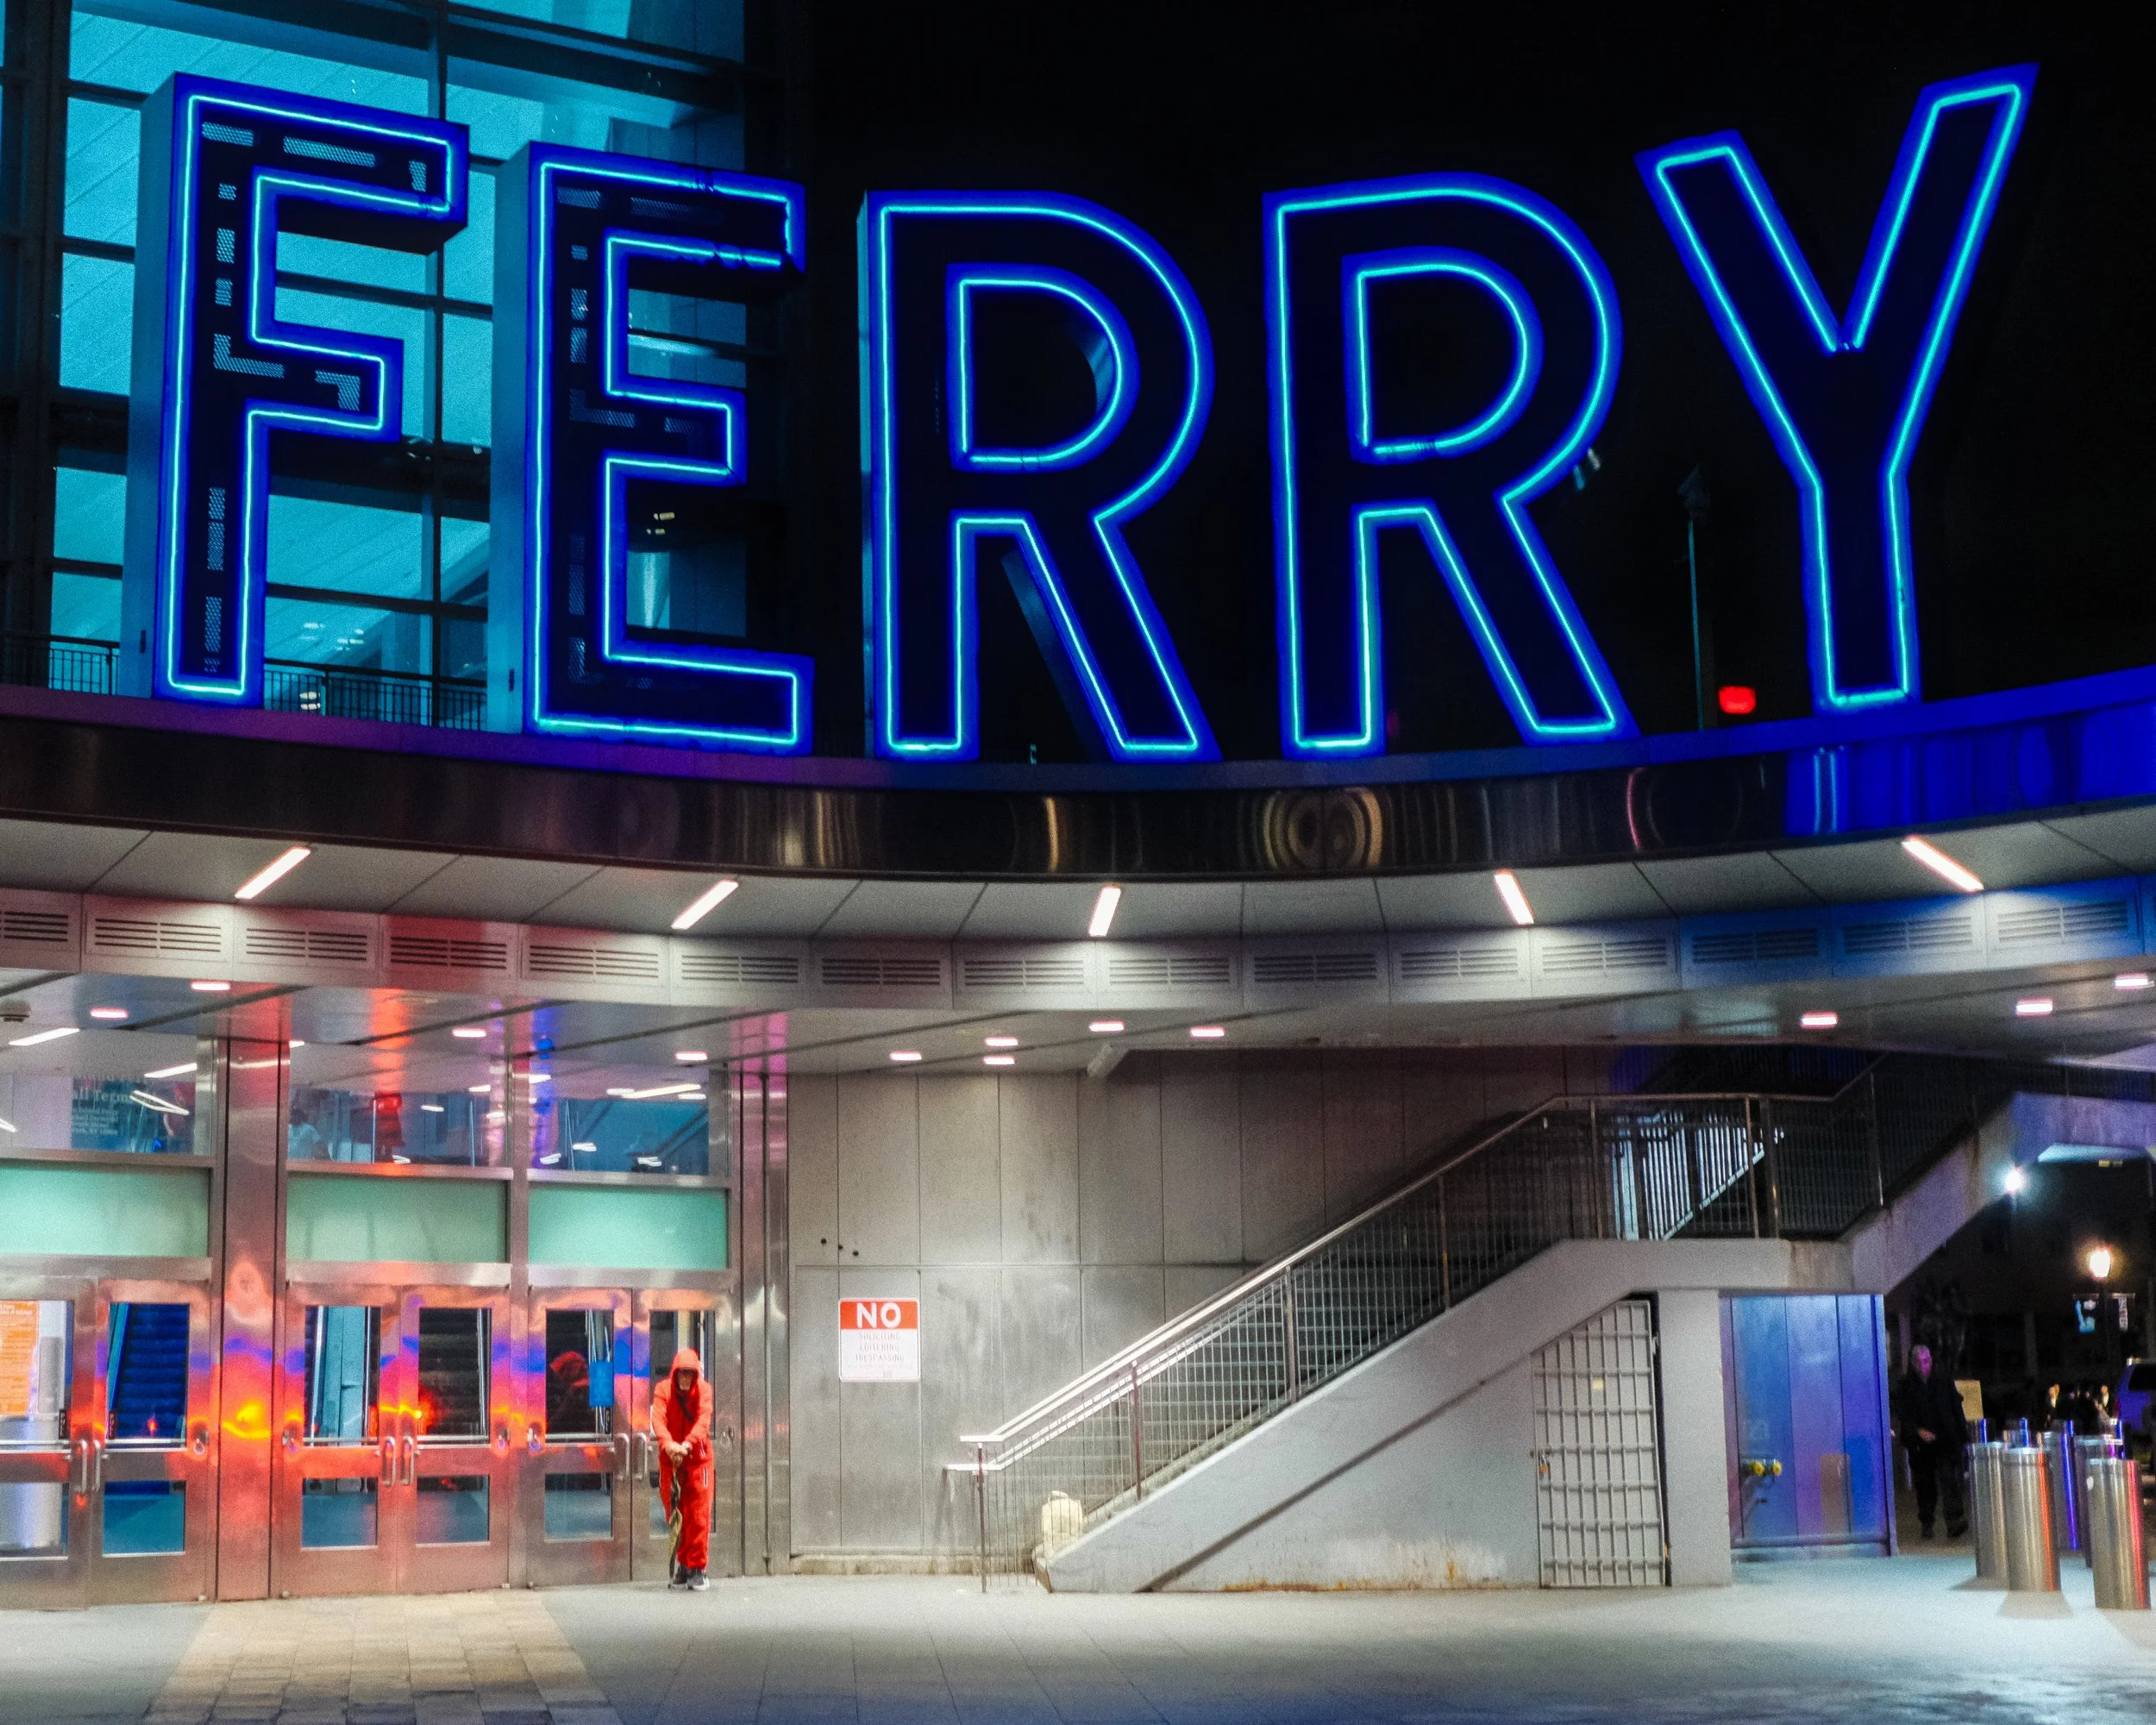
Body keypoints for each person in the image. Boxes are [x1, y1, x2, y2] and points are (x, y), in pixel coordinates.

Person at [652, 1347, 713, 1590]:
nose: (686, 1378)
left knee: (698, 1516)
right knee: (676, 1514)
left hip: (697, 1460)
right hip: (672, 1460)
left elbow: (703, 1420)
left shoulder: (704, 1391)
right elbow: (658, 1419)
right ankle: (685, 1565)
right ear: (675, 1374)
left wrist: (686, 1444)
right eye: (682, 1373)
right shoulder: (663, 1390)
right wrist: (669, 1445)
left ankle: (697, 1567)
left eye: (690, 1373)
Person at [1895, 1344, 1969, 1540]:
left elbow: (1956, 1409)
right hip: (1921, 1446)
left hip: (1944, 1441)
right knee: (1925, 1485)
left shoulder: (1943, 1381)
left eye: (1925, 1361)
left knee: (1949, 1481)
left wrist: (1963, 1438)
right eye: (1918, 1362)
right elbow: (1903, 1415)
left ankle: (1954, 1521)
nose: (1922, 1365)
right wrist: (1918, 1431)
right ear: (1912, 1363)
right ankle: (1927, 1522)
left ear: (1931, 1360)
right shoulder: (1906, 1386)